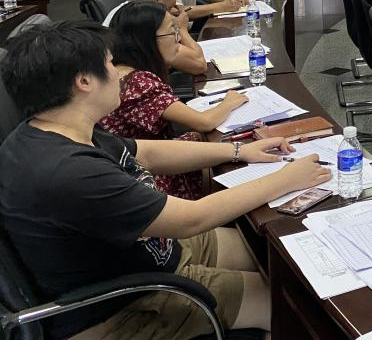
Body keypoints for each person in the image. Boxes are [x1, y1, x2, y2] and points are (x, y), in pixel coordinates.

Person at [0, 21, 331, 340]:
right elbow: (192, 219)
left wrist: (237, 151)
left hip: (150, 253)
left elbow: (146, 152)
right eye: (110, 63)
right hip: (126, 307)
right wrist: (286, 178)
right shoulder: (69, 172)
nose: (118, 74)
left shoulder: (55, 127)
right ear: (84, 81)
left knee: (275, 254)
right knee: (295, 307)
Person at [102, 2, 250, 199]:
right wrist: (229, 101)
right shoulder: (137, 83)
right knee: (228, 149)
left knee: (206, 141)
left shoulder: (122, 70)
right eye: (172, 31)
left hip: (135, 165)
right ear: (146, 40)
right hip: (144, 180)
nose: (178, 38)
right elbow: (204, 122)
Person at [104, 0, 208, 75]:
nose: (175, 4)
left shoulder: (124, 12)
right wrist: (181, 28)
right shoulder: (145, 21)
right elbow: (199, 64)